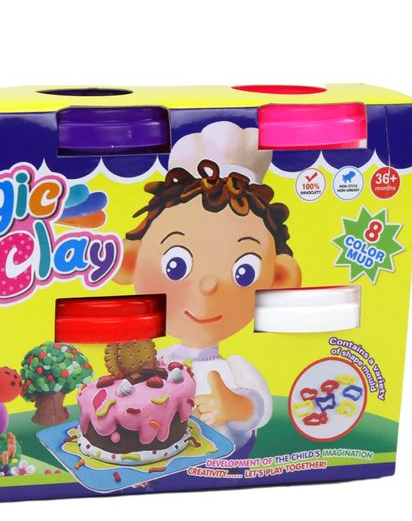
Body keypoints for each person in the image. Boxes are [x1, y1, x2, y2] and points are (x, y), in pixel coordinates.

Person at [116, 122, 302, 454]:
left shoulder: (234, 368)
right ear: (130, 262)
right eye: (176, 265)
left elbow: (258, 409)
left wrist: (235, 406)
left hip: (229, 459)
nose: (208, 285)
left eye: (243, 271)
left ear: (279, 278)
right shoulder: (156, 359)